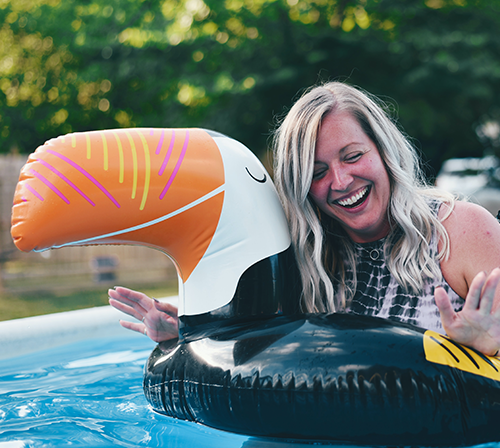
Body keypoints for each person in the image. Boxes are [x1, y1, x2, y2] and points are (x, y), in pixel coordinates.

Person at [109, 81, 500, 356]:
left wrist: (488, 347)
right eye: (316, 173)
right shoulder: (298, 259)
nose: (341, 181)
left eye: (352, 156)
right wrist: (189, 335)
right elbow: (260, 358)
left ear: (384, 151)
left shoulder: (460, 230)